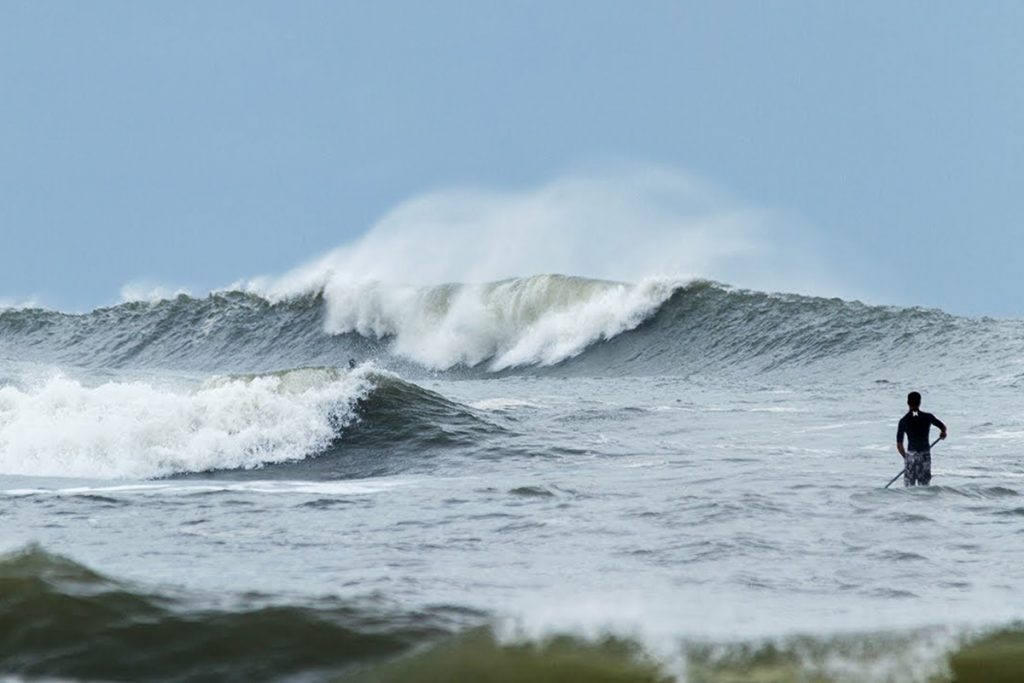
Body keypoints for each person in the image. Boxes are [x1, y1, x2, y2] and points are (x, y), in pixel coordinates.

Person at [896, 391, 947, 486]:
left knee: (909, 487)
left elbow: (899, 445)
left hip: (911, 456)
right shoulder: (927, 417)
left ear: (908, 402)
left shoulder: (903, 421)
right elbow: (943, 427)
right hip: (924, 456)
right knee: (924, 487)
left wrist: (906, 457)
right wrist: (943, 433)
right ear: (920, 402)